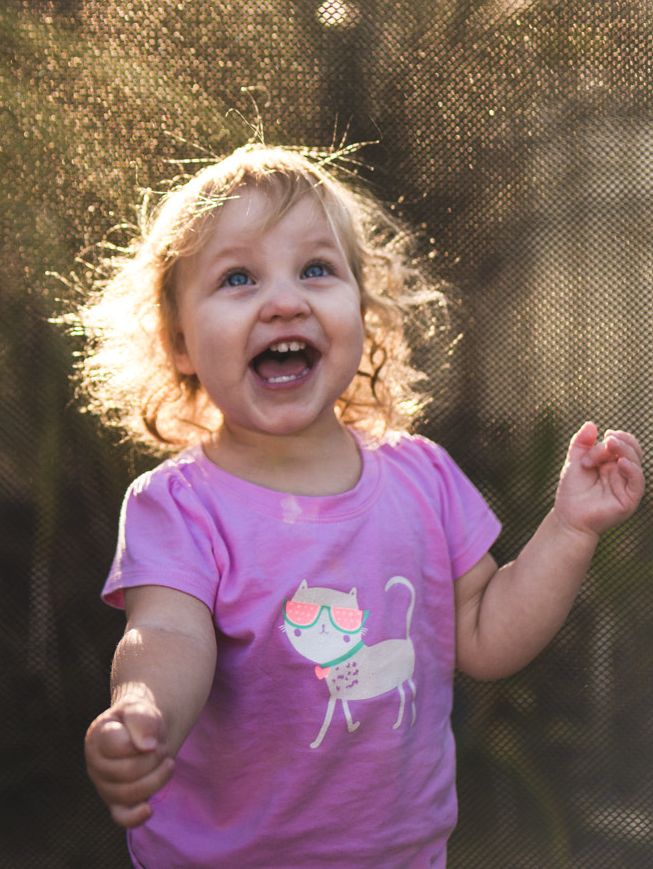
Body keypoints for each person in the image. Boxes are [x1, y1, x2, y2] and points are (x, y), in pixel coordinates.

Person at [75, 144, 644, 869]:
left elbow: (486, 635)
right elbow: (169, 636)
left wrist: (569, 528)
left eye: (316, 269)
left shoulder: (422, 478)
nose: (285, 300)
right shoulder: (180, 506)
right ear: (179, 340)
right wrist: (143, 712)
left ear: (363, 312)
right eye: (238, 278)